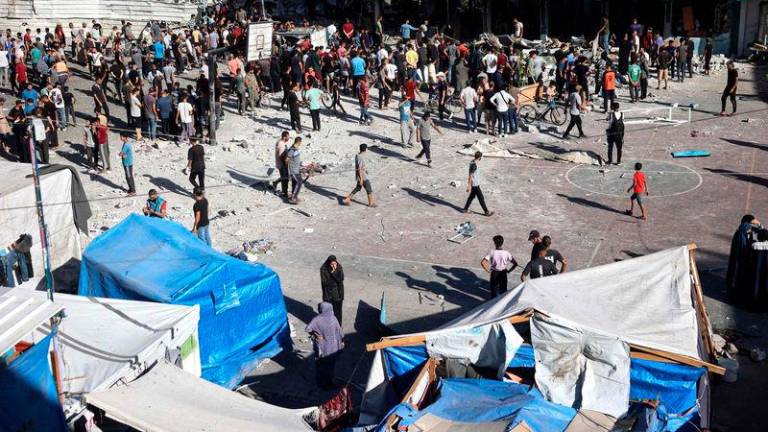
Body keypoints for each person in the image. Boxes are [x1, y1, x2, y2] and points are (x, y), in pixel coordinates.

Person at [726, 215, 767, 305]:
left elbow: (762, 233)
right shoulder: (741, 234)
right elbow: (741, 249)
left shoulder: (745, 232)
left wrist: (759, 224)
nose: (751, 229)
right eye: (750, 227)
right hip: (739, 262)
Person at [305, 302, 344, 389]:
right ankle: (328, 383)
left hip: (321, 347)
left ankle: (322, 382)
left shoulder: (316, 319)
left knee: (321, 364)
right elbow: (340, 332)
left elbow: (308, 328)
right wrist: (341, 342)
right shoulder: (333, 318)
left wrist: (315, 334)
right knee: (330, 365)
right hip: (332, 347)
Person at [480, 235, 518, 299]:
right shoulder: (506, 253)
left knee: (494, 292)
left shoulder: (492, 252)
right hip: (503, 273)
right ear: (502, 243)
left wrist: (488, 271)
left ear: (495, 243)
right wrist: (509, 271)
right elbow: (515, 264)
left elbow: (483, 262)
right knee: (503, 291)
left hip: (494, 273)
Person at [463, 151, 493, 216]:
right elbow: (470, 175)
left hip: (475, 183)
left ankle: (465, 209)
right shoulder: (474, 165)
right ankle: (486, 212)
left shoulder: (473, 162)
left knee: (471, 197)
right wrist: (469, 186)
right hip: (475, 184)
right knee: (481, 198)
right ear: (479, 157)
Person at [320, 256, 345, 325]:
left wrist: (333, 273)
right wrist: (332, 275)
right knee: (328, 312)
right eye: (332, 264)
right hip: (328, 295)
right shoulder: (323, 269)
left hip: (338, 295)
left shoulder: (339, 267)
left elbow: (341, 278)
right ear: (328, 263)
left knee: (338, 312)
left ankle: (338, 326)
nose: (334, 266)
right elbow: (325, 283)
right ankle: (329, 327)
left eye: (335, 263)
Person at [272, 131, 291, 196]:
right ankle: (284, 192)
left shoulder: (281, 142)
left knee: (285, 177)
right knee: (285, 178)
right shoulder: (281, 144)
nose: (289, 138)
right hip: (282, 164)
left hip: (282, 163)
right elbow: (281, 156)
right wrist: (287, 160)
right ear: (284, 137)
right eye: (288, 136)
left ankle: (275, 183)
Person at [286, 137, 303, 204]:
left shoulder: (296, 149)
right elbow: (287, 159)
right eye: (300, 142)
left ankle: (294, 196)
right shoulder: (291, 150)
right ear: (299, 142)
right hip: (293, 171)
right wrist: (290, 170)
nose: (301, 143)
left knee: (295, 183)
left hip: (297, 169)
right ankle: (293, 198)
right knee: (299, 183)